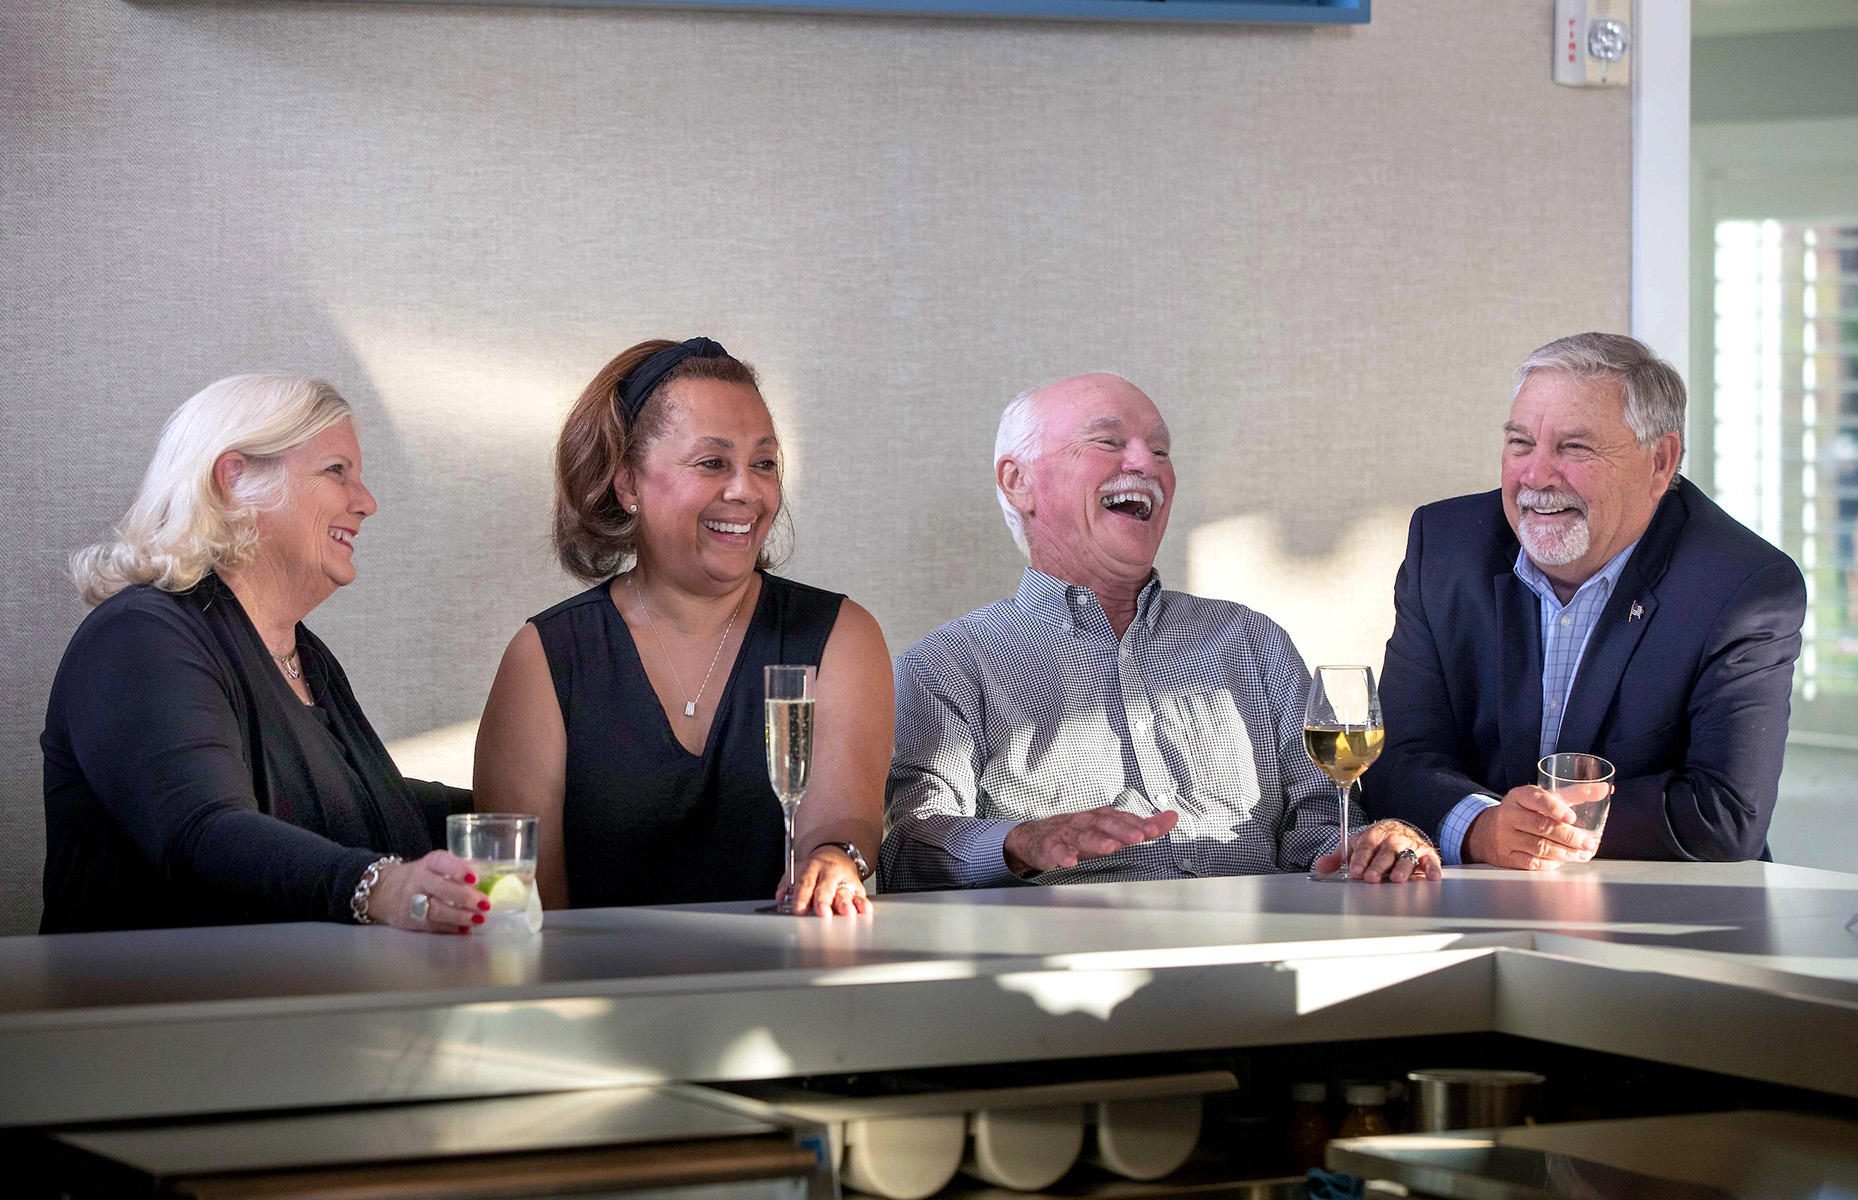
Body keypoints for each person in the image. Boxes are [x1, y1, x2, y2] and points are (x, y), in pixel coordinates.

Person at [882, 372, 1440, 890]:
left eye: (1161, 450)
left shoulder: (1253, 642)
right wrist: (1020, 842)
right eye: (1107, 441)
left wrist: (1370, 846)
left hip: (1260, 945)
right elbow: (906, 851)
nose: (1144, 463)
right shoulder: (948, 665)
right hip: (1074, 952)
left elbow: (1320, 827)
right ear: (1018, 482)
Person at [42, 375, 488, 934]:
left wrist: (536, 809)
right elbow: (205, 831)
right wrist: (379, 886)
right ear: (235, 480)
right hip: (154, 991)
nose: (366, 502)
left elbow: (368, 804)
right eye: (337, 471)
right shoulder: (140, 635)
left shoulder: (306, 656)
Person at [474, 338, 891, 916]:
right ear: (628, 483)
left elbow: (843, 824)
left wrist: (834, 859)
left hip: (785, 970)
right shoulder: (546, 658)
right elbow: (523, 908)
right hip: (591, 974)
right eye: (712, 463)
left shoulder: (840, 635)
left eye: (764, 464)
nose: (747, 490)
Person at [1363, 333, 1806, 869]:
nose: (1535, 475)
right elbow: (1396, 760)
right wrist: (1482, 827)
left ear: (1660, 462)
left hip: (1658, 906)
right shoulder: (1445, 546)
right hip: (1470, 894)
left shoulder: (1743, 588)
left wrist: (1532, 831)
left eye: (1574, 448)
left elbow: (1725, 815)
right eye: (1521, 443)